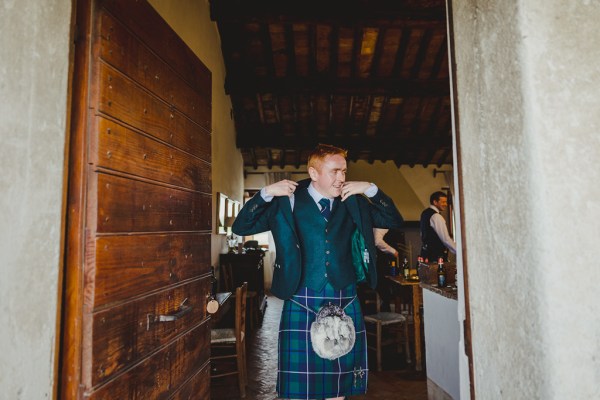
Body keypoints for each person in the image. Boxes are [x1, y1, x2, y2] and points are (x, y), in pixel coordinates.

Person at [232, 144, 403, 400]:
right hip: (301, 299)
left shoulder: (353, 201)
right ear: (314, 173)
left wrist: (370, 188)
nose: (342, 178)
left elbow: (393, 219)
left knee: (338, 384)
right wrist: (266, 192)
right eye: (335, 171)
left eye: (344, 171)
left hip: (345, 295)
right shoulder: (286, 200)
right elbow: (241, 225)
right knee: (302, 388)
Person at [419, 191, 456, 262]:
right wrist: (459, 251)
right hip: (436, 256)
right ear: (435, 202)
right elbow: (445, 239)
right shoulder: (436, 216)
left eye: (446, 202)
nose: (445, 204)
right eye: (443, 202)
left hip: (425, 253)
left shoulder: (425, 213)